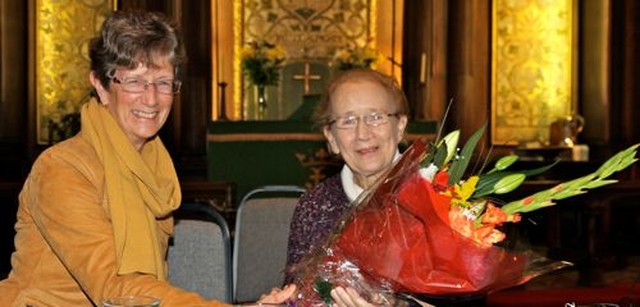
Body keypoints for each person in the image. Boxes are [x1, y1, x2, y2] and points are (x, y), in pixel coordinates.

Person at [0, 10, 294, 306]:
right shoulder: (62, 169)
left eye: (163, 82)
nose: (151, 99)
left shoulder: (156, 168)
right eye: (135, 82)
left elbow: (148, 287)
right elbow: (115, 287)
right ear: (101, 86)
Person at [284, 69, 409, 306]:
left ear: (400, 126)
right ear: (331, 138)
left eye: (375, 117)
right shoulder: (314, 206)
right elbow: (296, 296)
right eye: (348, 121)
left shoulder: (438, 196)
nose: (363, 133)